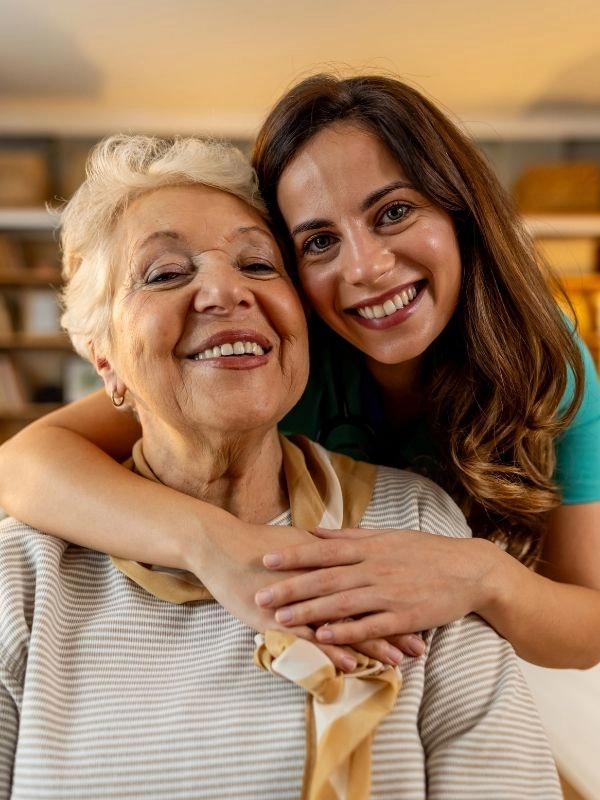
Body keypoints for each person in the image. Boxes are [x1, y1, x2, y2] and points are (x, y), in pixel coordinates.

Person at [0, 134, 562, 800]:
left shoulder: (413, 520)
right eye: (165, 273)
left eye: (259, 265)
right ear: (105, 361)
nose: (225, 291)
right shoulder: (25, 577)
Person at [0, 74, 599, 669]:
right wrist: (217, 546)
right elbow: (24, 463)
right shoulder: (271, 358)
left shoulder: (546, 364)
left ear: (461, 215)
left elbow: (588, 623)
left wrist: (487, 577)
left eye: (393, 212)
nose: (365, 268)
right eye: (318, 242)